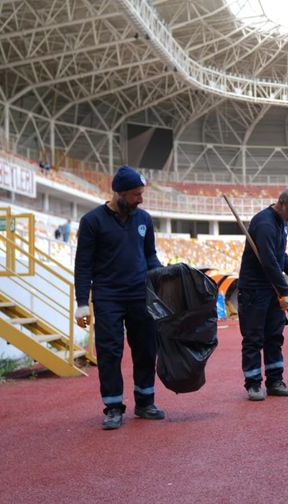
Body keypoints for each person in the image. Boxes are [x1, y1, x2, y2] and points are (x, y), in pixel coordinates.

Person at [73, 165, 165, 430]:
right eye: (136, 194)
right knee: (110, 352)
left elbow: (150, 255)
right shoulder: (92, 221)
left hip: (140, 294)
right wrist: (82, 303)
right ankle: (113, 407)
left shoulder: (144, 219)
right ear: (120, 193)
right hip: (107, 296)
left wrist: (161, 276)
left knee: (147, 349)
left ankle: (145, 402)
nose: (141, 199)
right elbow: (83, 265)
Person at [237, 187, 288, 401]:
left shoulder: (282, 222)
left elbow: (280, 256)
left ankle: (275, 381)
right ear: (280, 203)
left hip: (271, 289)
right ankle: (253, 384)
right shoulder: (264, 223)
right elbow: (269, 261)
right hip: (255, 289)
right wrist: (284, 290)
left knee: (274, 336)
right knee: (253, 338)